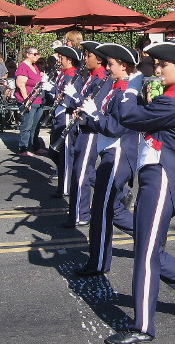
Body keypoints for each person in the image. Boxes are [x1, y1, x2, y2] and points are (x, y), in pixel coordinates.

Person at [105, 41, 175, 344]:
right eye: (155, 65)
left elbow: (129, 116)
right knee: (148, 249)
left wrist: (129, 85)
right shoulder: (172, 94)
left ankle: (143, 326)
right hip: (154, 175)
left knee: (145, 255)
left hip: (163, 178)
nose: (156, 70)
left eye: (161, 66)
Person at [73, 43, 138, 276]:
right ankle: (147, 235)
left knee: (100, 209)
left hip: (119, 154)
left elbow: (113, 127)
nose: (107, 68)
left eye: (111, 64)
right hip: (109, 152)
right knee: (113, 208)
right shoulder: (113, 86)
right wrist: (84, 119)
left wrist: (94, 114)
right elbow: (100, 121)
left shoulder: (128, 91)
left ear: (124, 66)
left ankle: (99, 262)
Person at [64, 41, 110, 228]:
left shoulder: (101, 79)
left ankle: (81, 214)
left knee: (81, 173)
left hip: (90, 129)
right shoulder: (92, 77)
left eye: (87, 56)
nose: (84, 59)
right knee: (82, 171)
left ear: (98, 59)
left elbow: (94, 106)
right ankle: (119, 194)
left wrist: (76, 97)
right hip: (82, 126)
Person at [45, 46, 84, 198]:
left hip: (66, 115)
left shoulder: (73, 75)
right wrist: (49, 89)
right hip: (58, 114)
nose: (59, 60)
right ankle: (67, 181)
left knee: (66, 154)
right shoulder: (63, 74)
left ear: (69, 60)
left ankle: (65, 187)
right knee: (55, 152)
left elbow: (69, 100)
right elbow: (57, 94)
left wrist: (54, 91)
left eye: (61, 58)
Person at [14, 46, 45, 156]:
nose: (37, 56)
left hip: (38, 99)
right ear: (27, 54)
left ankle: (35, 146)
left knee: (36, 125)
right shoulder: (23, 67)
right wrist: (27, 100)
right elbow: (21, 85)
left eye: (37, 54)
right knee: (27, 124)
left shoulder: (34, 67)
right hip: (28, 100)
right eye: (34, 54)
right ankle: (23, 148)